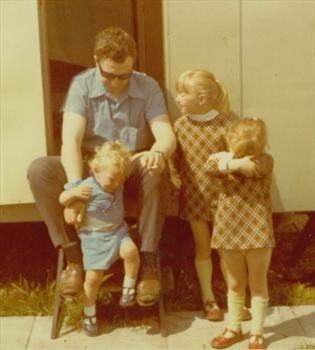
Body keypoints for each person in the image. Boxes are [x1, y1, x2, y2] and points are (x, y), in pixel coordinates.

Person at [27, 26, 177, 307]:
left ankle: (147, 264)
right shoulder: (82, 85)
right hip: (92, 166)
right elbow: (70, 140)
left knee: (157, 168)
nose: (118, 83)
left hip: (129, 164)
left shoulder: (148, 86)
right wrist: (75, 191)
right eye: (109, 75)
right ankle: (73, 262)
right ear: (96, 60)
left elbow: (166, 135)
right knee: (40, 170)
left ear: (133, 63)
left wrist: (158, 152)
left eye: (125, 75)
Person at [172, 69, 253, 322]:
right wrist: (175, 183)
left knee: (228, 250)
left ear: (203, 98)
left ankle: (235, 298)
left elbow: (238, 158)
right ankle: (209, 299)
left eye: (183, 93)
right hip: (196, 197)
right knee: (203, 247)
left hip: (225, 199)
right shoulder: (180, 125)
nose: (178, 98)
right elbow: (175, 161)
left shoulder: (228, 123)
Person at [59, 141, 139, 336]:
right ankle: (89, 312)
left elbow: (133, 161)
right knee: (93, 278)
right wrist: (73, 193)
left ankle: (129, 287)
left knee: (131, 251)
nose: (118, 185)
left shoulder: (115, 180)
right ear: (95, 170)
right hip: (95, 238)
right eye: (113, 179)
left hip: (118, 232)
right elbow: (62, 199)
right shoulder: (87, 188)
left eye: (121, 180)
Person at [208, 118, 275, 350]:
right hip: (229, 231)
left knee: (257, 283)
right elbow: (208, 166)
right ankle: (234, 328)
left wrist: (230, 162)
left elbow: (253, 168)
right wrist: (232, 163)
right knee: (235, 283)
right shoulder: (224, 162)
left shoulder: (265, 161)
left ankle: (257, 333)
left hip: (258, 232)